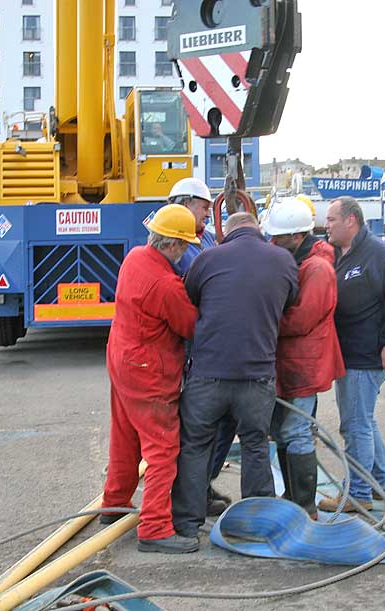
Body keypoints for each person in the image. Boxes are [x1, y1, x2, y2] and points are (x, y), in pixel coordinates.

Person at [171, 212, 298, 540]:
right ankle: (256, 525)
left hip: (208, 374)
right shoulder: (283, 260)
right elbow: (289, 302)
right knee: (256, 444)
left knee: (196, 446)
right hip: (257, 375)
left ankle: (187, 523)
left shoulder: (206, 258)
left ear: (226, 232)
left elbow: (192, 297)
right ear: (258, 229)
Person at [101, 204, 200, 554]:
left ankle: (114, 502)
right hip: (148, 372)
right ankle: (155, 527)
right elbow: (189, 325)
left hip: (121, 360)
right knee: (162, 449)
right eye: (185, 245)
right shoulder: (166, 284)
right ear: (172, 244)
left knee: (125, 436)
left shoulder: (135, 258)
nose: (187, 251)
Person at [318, 197, 385, 513]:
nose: (326, 225)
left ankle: (358, 493)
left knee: (355, 425)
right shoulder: (344, 254)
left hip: (365, 355)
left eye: (331, 219)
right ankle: (378, 484)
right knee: (365, 422)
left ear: (351, 221)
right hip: (351, 353)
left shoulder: (379, 255)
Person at [264, 200, 345, 518]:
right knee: (286, 432)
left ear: (297, 236)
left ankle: (305, 505)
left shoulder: (317, 269)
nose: (272, 242)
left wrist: (263, 322)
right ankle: (292, 495)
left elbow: (301, 320)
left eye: (278, 238)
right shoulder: (301, 262)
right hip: (293, 362)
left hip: (305, 363)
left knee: (297, 431)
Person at [168, 177, 233, 515]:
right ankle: (189, 496)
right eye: (204, 206)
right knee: (198, 424)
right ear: (184, 203)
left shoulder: (204, 238)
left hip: (212, 340)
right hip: (194, 345)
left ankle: (202, 485)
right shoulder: (174, 244)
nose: (209, 212)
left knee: (223, 421)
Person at [167, 178, 215, 274]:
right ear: (186, 206)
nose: (208, 214)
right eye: (205, 208)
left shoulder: (209, 237)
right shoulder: (169, 245)